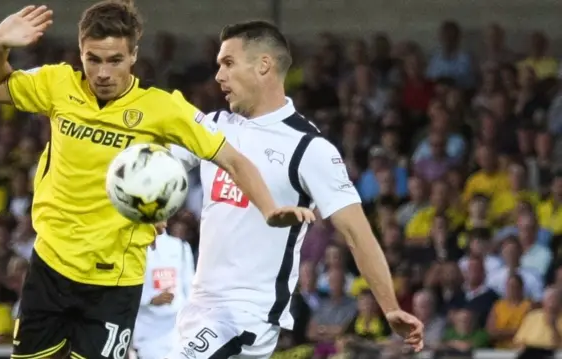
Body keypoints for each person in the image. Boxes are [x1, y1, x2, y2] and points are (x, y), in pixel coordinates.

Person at [0, 3, 313, 359]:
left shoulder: (163, 109)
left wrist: (269, 208)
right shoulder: (57, 84)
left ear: (134, 54)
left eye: (115, 60)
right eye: (94, 59)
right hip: (49, 267)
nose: (103, 72)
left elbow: (232, 159)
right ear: (80, 53)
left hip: (113, 282)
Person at [167, 21, 424, 359]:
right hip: (197, 311)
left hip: (247, 318)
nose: (218, 76)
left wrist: (389, 307)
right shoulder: (214, 127)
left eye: (228, 63)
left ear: (263, 65)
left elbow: (358, 233)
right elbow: (153, 166)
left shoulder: (308, 147)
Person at [132, 232, 195, 359]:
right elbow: (126, 291)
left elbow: (190, 288)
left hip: (176, 331)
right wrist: (150, 300)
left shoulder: (181, 246)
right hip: (145, 333)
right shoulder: (134, 247)